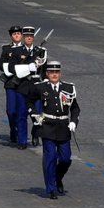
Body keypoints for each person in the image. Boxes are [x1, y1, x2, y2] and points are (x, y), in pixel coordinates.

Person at [28, 60, 80, 199]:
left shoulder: (68, 88)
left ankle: (57, 178)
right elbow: (29, 101)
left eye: (57, 72)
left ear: (60, 73)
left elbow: (75, 108)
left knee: (65, 159)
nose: (54, 75)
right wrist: (34, 115)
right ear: (47, 73)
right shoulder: (40, 87)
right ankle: (50, 188)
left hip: (63, 127)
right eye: (52, 72)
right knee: (50, 157)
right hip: (47, 127)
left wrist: (74, 121)